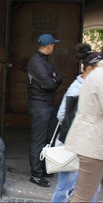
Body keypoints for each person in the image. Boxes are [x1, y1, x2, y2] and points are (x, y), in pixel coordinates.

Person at [51, 44, 101, 202]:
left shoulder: (86, 84)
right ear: (90, 69)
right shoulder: (77, 88)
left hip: (82, 143)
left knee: (86, 189)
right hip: (74, 144)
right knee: (66, 188)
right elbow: (61, 115)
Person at [64, 52, 103, 202]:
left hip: (93, 141)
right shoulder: (100, 75)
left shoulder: (96, 73)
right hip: (93, 145)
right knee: (82, 198)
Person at [27, 33, 63, 187]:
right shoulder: (35, 62)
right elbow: (51, 84)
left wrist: (54, 78)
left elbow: (58, 77)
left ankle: (44, 168)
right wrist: (53, 79)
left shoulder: (44, 61)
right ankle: (36, 174)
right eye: (53, 45)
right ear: (48, 46)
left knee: (49, 139)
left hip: (47, 105)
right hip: (39, 106)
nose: (54, 47)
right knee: (38, 141)